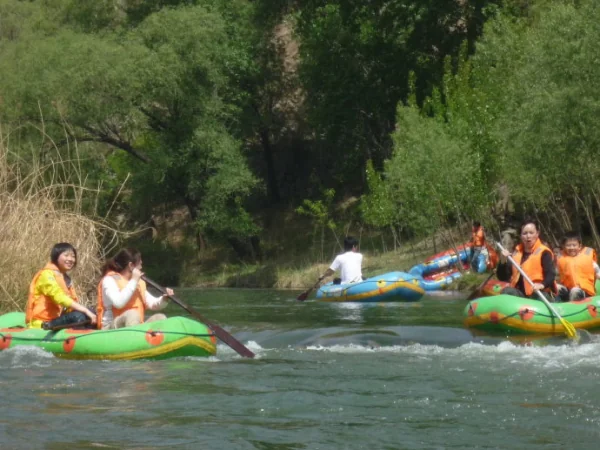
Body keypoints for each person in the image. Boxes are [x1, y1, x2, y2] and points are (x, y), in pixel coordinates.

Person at [96, 248, 173, 329]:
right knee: (132, 314)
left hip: (135, 326)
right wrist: (134, 280)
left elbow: (153, 304)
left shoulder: (137, 283)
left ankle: (145, 338)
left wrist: (164, 299)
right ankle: (134, 338)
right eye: (139, 261)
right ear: (131, 266)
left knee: (160, 318)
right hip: (111, 327)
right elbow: (118, 303)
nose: (141, 263)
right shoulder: (109, 280)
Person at [26, 243, 97, 329]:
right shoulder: (46, 275)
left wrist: (87, 311)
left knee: (91, 311)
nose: (70, 259)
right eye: (66, 255)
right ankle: (78, 340)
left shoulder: (66, 279)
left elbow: (69, 305)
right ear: (56, 257)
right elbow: (59, 297)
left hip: (58, 319)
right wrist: (84, 310)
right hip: (42, 322)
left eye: (73, 256)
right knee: (78, 316)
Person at [496, 219, 557, 299]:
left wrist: (542, 284)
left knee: (540, 296)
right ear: (521, 236)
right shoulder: (516, 253)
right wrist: (503, 261)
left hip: (538, 293)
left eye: (531, 233)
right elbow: (502, 277)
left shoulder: (544, 252)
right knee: (507, 291)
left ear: (537, 234)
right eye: (525, 233)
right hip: (521, 294)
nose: (528, 236)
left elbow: (551, 274)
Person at [556, 231, 600, 301]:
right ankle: (556, 306)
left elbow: (597, 270)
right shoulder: (561, 259)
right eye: (568, 245)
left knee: (575, 290)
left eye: (574, 245)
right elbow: (557, 274)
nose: (571, 248)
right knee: (556, 287)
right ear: (564, 247)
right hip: (568, 290)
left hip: (584, 291)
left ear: (579, 246)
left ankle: (572, 309)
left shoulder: (586, 257)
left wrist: (598, 274)